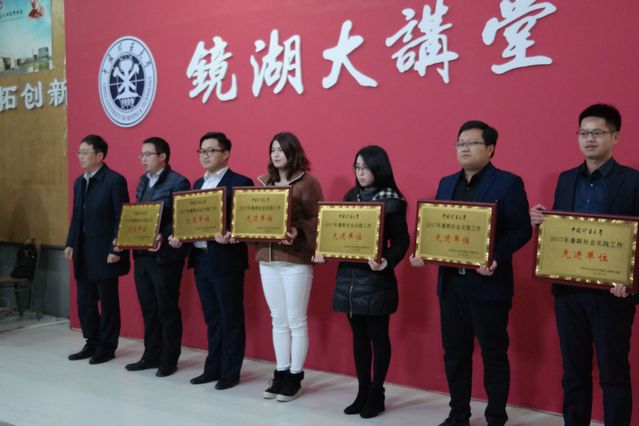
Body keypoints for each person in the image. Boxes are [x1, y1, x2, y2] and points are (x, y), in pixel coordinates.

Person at [411, 121, 532, 426]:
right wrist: (423, 250)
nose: (464, 148)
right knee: (455, 353)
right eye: (460, 143)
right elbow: (437, 226)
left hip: (488, 283)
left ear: (490, 149)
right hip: (451, 283)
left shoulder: (508, 183)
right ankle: (458, 414)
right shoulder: (446, 183)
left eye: (472, 143)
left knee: (493, 355)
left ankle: (495, 417)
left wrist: (496, 257)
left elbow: (522, 229)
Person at [530, 104, 638, 426]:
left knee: (613, 373)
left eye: (598, 133)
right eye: (583, 133)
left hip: (612, 295)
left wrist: (632, 282)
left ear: (615, 137)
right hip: (569, 291)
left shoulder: (633, 181)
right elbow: (565, 229)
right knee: (574, 372)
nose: (589, 139)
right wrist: (544, 220)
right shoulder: (566, 179)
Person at [315, 145, 409, 418]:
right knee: (358, 336)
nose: (360, 172)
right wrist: (324, 249)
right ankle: (362, 391)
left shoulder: (393, 201)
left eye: (366, 167)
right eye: (357, 167)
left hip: (376, 278)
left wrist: (386, 261)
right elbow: (337, 233)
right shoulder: (350, 196)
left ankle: (377, 393)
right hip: (349, 278)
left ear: (379, 168)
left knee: (378, 336)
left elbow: (401, 241)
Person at [168, 132, 253, 390]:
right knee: (212, 318)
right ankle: (212, 368)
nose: (205, 155)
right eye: (201, 151)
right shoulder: (197, 183)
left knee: (230, 317)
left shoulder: (240, 182)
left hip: (226, 260)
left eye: (210, 150)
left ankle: (230, 371)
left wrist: (232, 235)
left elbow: (246, 223)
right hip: (201, 259)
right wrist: (179, 236)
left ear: (225, 153)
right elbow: (191, 221)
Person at [256, 132, 323, 402]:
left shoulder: (308, 183)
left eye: (281, 149)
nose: (276, 154)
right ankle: (281, 372)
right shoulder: (263, 182)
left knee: (296, 319)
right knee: (278, 319)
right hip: (267, 259)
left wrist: (298, 230)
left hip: (295, 260)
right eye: (272, 149)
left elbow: (319, 219)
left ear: (292, 152)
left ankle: (295, 376)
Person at [123, 137, 189, 378]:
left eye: (147, 154)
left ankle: (169, 359)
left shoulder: (178, 181)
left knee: (166, 308)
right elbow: (140, 216)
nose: (143, 159)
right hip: (142, 255)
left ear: (162, 157)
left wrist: (164, 234)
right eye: (141, 154)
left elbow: (182, 218)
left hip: (165, 257)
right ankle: (150, 355)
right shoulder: (143, 181)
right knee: (148, 308)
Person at [65, 134, 130, 365]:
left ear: (100, 155)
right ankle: (91, 342)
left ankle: (107, 346)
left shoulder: (114, 181)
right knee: (86, 302)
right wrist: (70, 242)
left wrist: (116, 248)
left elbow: (122, 217)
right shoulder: (79, 182)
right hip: (83, 252)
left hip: (105, 252)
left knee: (108, 302)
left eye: (85, 152)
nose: (80, 156)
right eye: (79, 152)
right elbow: (76, 216)